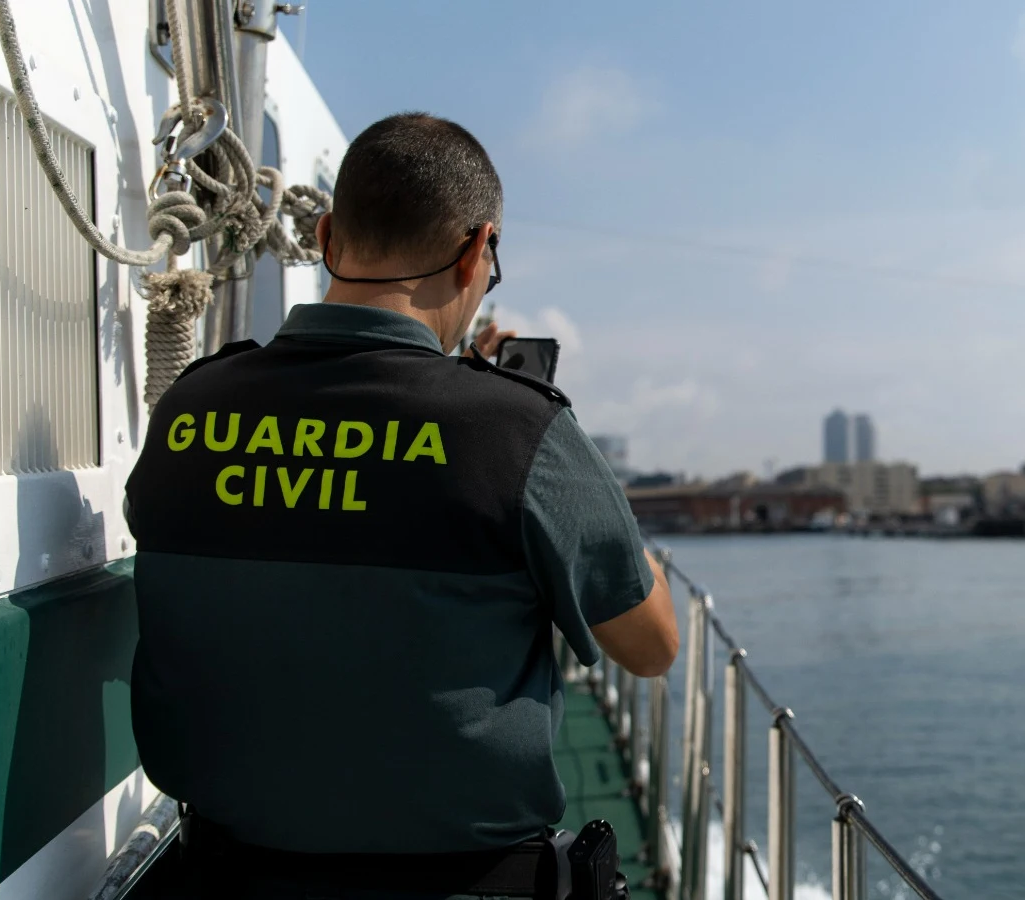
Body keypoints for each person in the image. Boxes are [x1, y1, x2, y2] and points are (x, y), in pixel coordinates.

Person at [124, 112, 678, 896]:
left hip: (225, 876)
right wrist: (581, 484)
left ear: (324, 238)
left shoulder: (189, 407)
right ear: (477, 251)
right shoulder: (521, 430)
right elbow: (652, 648)